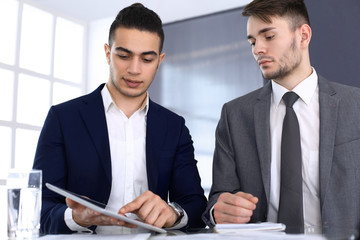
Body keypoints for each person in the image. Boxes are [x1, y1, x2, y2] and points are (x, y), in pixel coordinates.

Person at [33, 3, 206, 234]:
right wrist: (77, 217)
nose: (134, 69)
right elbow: (39, 209)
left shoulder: (174, 127)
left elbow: (195, 206)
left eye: (147, 60)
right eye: (124, 56)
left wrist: (173, 213)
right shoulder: (63, 118)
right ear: (107, 53)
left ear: (159, 61)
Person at [202, 0, 360, 236]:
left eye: (269, 36)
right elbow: (218, 199)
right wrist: (218, 211)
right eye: (253, 41)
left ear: (303, 36)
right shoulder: (235, 115)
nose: (257, 49)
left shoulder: (355, 105)